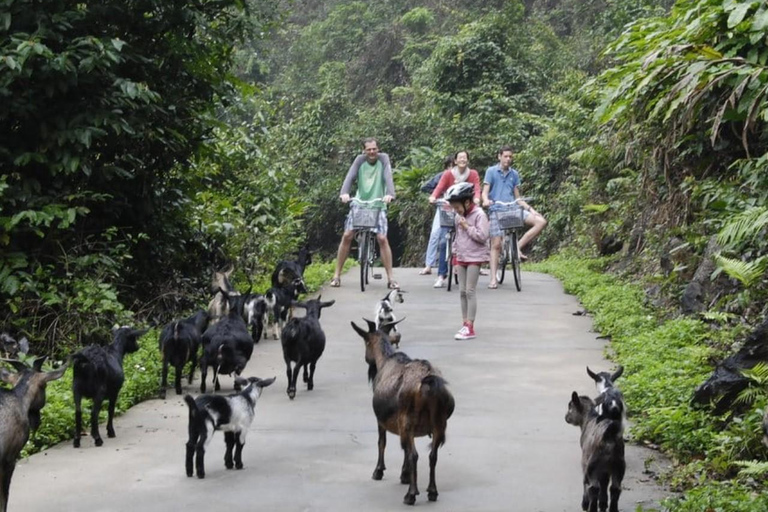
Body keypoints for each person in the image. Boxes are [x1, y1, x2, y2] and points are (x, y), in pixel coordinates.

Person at [331, 138, 398, 289]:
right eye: (369, 149)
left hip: (378, 203)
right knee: (347, 235)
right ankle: (336, 275)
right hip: (360, 203)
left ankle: (391, 278)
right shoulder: (360, 160)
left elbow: (388, 177)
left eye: (374, 149)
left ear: (378, 149)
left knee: (381, 238)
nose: (372, 152)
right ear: (364, 150)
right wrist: (344, 193)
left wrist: (390, 194)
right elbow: (350, 177)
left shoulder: (384, 159)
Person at [482, 146, 547, 289]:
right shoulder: (491, 171)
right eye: (505, 156)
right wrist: (486, 201)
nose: (508, 159)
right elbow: (484, 193)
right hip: (496, 210)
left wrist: (532, 210)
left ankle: (517, 246)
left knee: (540, 222)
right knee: (496, 245)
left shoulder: (514, 174)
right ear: (499, 156)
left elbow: (518, 198)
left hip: (513, 209)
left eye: (510, 156)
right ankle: (493, 278)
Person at [428, 150, 482, 288]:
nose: (462, 160)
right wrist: (433, 197)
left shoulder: (473, 174)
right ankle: (441, 275)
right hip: (449, 211)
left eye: (465, 158)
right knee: (442, 241)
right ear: (455, 161)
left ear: (468, 160)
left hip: (465, 211)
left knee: (468, 239)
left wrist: (477, 198)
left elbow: (477, 188)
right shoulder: (448, 174)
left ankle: (469, 266)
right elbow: (440, 187)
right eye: (460, 158)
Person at [445, 182, 489, 340]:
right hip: (462, 257)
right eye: (453, 208)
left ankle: (470, 326)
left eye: (457, 207)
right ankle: (464, 323)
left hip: (475, 257)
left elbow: (482, 236)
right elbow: (457, 238)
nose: (455, 211)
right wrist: (455, 257)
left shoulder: (479, 215)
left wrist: (467, 226)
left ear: (467, 202)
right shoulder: (458, 217)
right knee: (462, 291)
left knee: (470, 291)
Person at [419, 156, 454, 275]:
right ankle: (429, 265)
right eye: (451, 166)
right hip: (443, 208)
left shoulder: (461, 176)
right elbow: (425, 187)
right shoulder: (441, 176)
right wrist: (436, 196)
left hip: (458, 209)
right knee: (435, 234)